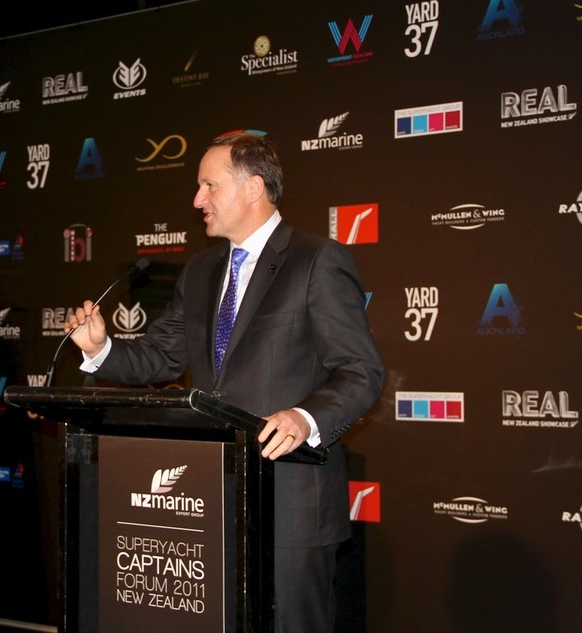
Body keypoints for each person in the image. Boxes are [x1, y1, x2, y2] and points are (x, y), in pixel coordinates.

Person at [64, 131, 385, 633]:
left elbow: (362, 371)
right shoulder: (202, 270)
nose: (197, 201)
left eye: (209, 186)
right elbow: (159, 358)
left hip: (291, 504)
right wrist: (99, 347)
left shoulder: (316, 261)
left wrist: (305, 418)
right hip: (214, 500)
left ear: (254, 188)